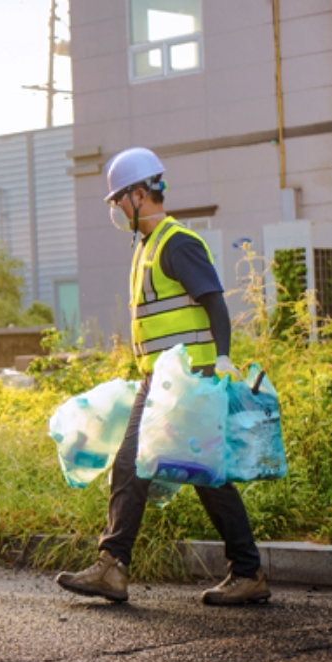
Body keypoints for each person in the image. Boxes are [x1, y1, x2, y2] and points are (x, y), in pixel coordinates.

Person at [55, 147, 270, 606]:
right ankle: (241, 571)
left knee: (157, 469)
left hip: (189, 382)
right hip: (165, 382)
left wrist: (224, 358)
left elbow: (214, 302)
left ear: (138, 195)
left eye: (117, 200)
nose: (116, 209)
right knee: (183, 474)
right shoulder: (147, 247)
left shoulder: (177, 243)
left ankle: (117, 566)